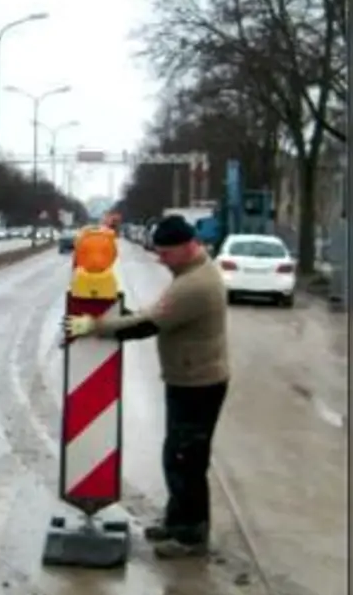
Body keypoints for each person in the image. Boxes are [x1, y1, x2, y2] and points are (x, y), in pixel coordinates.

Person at [63, 214, 229, 559]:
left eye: (165, 253)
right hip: (190, 378)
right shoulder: (191, 272)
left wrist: (95, 325)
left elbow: (148, 323)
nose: (160, 259)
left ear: (187, 247)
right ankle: (177, 521)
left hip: (198, 384)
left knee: (187, 460)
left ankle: (189, 536)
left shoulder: (195, 285)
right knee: (179, 455)